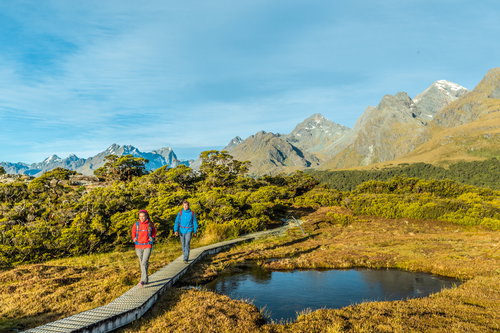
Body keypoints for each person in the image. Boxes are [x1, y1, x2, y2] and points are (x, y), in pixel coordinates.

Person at [131, 209, 156, 287]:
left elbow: (154, 231)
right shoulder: (136, 224)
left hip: (147, 245)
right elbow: (133, 232)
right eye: (140, 216)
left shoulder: (150, 224)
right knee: (142, 263)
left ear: (146, 216)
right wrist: (134, 238)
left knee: (144, 262)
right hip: (138, 246)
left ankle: (142, 281)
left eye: (143, 216)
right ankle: (146, 279)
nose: (141, 218)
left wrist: (152, 237)